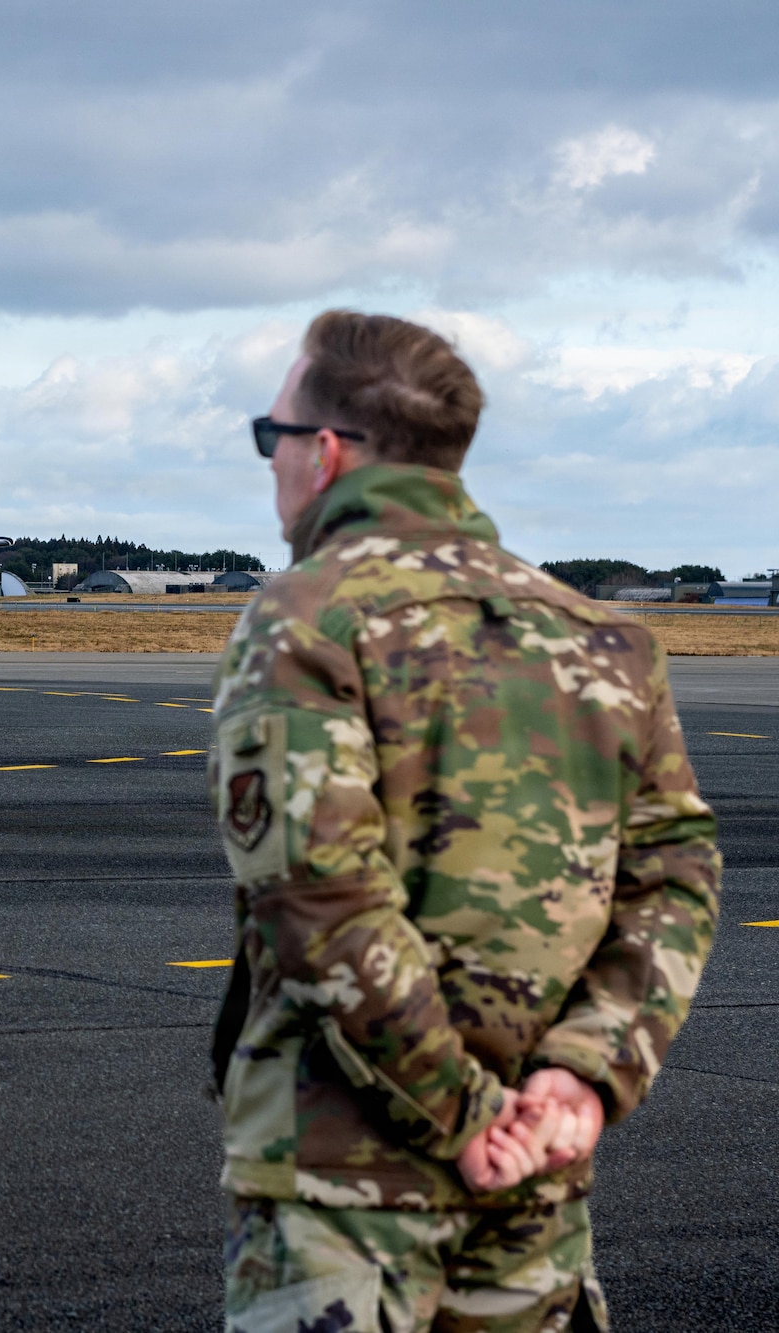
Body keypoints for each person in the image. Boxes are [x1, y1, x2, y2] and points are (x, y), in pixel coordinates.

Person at [209, 311, 720, 1332]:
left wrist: (465, 1115)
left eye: (270, 438)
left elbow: (321, 905)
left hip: (348, 1196)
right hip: (538, 1181)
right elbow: (672, 877)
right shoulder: (603, 636)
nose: (268, 466)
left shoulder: (308, 616)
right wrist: (576, 1082)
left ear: (326, 455)